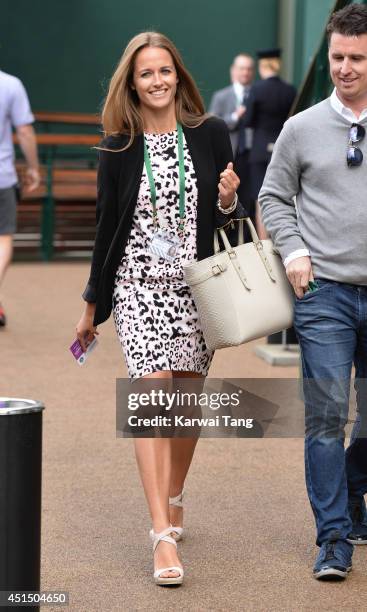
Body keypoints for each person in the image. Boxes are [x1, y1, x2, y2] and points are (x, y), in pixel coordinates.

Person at [76, 31, 242, 586]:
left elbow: (223, 225)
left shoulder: (210, 133)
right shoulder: (117, 148)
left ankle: (174, 498)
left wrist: (226, 199)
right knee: (151, 393)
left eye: (164, 71)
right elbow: (106, 230)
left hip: (195, 286)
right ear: (132, 82)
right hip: (137, 288)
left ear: (179, 76)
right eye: (146, 73)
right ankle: (160, 535)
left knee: (185, 403)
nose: (157, 81)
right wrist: (91, 305)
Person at [259, 3, 367, 581]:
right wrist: (295, 253)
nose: (345, 68)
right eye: (337, 58)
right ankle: (333, 539)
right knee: (327, 418)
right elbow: (273, 197)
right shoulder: (301, 128)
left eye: (357, 58)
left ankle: (352, 493)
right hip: (323, 294)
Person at [241, 48, 296, 238]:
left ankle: (263, 246)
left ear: (262, 66)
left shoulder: (256, 89)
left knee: (260, 198)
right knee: (282, 197)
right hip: (281, 148)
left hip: (259, 151)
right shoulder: (289, 90)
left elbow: (247, 120)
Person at [0, 69, 40, 326]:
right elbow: (24, 132)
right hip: (2, 176)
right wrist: (34, 168)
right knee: (3, 238)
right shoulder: (10, 84)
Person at [209, 54, 255, 229]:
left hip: (251, 155)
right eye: (242, 68)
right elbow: (214, 123)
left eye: (249, 69)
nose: (246, 72)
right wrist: (235, 116)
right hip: (231, 155)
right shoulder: (221, 96)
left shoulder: (256, 94)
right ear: (234, 71)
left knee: (251, 197)